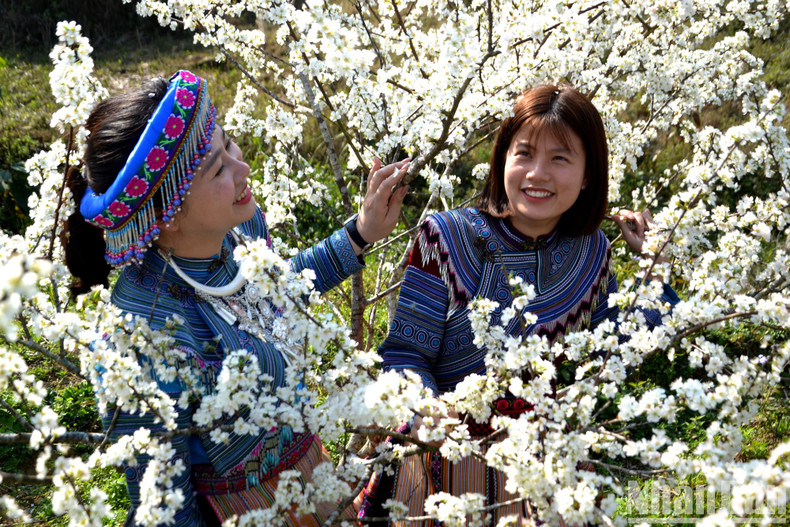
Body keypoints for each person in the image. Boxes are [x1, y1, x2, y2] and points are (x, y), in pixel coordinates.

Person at [63, 70, 409, 526]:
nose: (243, 167)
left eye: (229, 146)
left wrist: (361, 233)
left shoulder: (240, 232)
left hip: (315, 479)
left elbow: (282, 288)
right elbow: (165, 509)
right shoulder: (143, 338)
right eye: (218, 167)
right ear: (168, 213)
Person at [356, 84, 679, 525]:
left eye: (560, 158)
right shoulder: (447, 237)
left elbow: (621, 350)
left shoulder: (591, 253)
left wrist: (654, 266)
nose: (537, 173)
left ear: (587, 175)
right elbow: (405, 354)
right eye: (524, 153)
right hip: (442, 459)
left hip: (544, 466)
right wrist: (431, 417)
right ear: (503, 159)